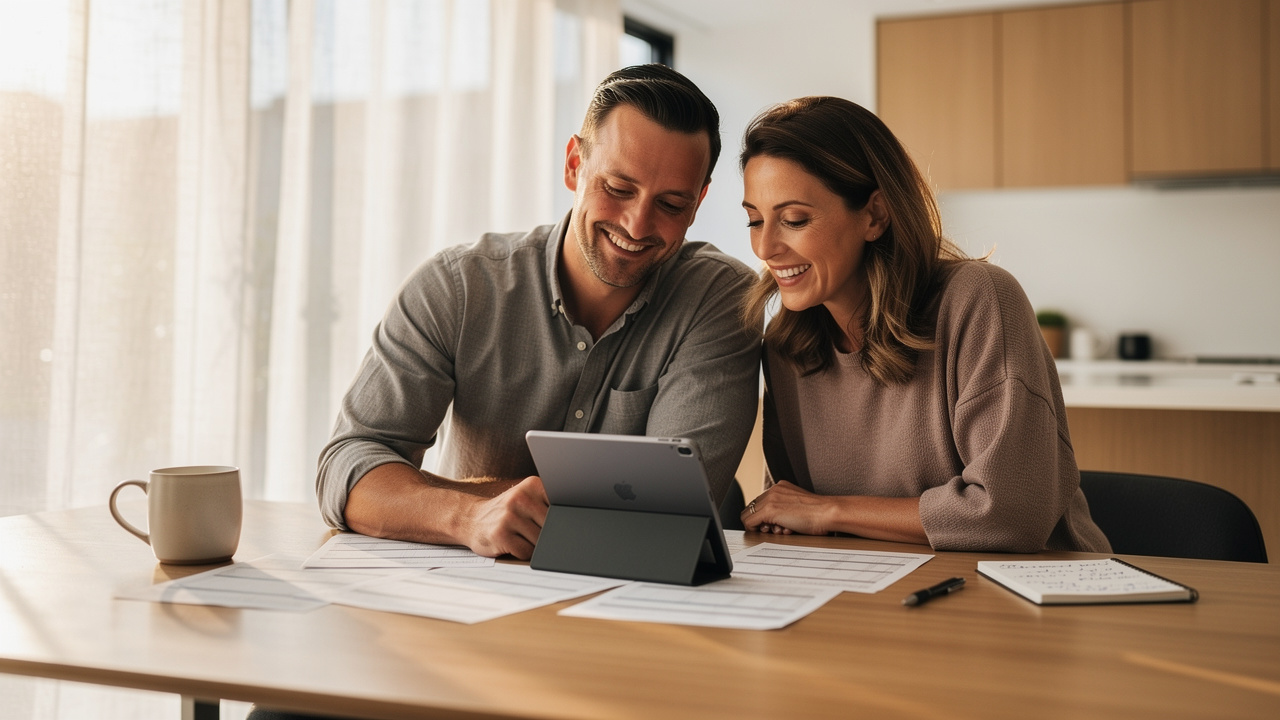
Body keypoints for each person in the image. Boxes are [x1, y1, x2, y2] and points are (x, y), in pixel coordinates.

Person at [316, 64, 761, 561]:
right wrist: (465, 517)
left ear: (698, 202)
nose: (637, 224)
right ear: (574, 164)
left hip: (629, 600)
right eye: (617, 188)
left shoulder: (722, 300)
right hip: (465, 592)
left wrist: (430, 489)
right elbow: (347, 467)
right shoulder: (458, 287)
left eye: (672, 203)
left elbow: (667, 512)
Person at [737, 96, 1109, 553]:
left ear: (874, 215)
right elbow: (790, 511)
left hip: (1028, 597)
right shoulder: (785, 344)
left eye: (794, 219)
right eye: (754, 220)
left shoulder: (977, 300)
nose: (765, 247)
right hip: (878, 598)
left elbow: (1011, 513)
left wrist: (830, 511)